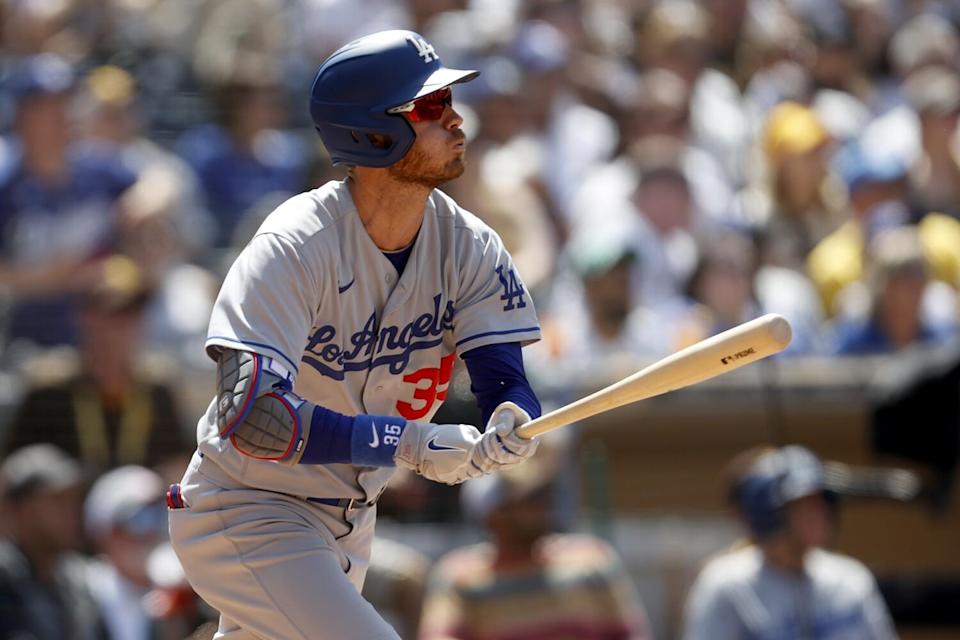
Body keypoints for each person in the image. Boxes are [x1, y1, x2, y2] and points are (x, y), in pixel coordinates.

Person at [167, 30, 542, 640]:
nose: (455, 118)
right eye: (429, 107)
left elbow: (507, 379)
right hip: (247, 505)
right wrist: (409, 442)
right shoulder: (294, 244)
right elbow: (254, 417)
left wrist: (508, 420)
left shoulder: (469, 245)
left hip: (347, 523)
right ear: (372, 133)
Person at [419, 436, 651, 640]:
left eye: (543, 496)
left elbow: (629, 633)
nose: (543, 506)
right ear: (493, 514)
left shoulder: (592, 560)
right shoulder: (461, 577)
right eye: (528, 500)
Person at [3, 254, 193, 482]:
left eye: (130, 313)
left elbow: (178, 468)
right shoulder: (49, 393)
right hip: (69, 514)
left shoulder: (158, 392)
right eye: (109, 313)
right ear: (82, 317)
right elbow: (15, 476)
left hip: (136, 515)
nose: (118, 328)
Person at [682, 445, 897, 640]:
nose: (819, 514)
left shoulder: (850, 580)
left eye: (820, 502)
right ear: (767, 512)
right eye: (803, 505)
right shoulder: (726, 586)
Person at [0, 444, 104, 640]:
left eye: (74, 499)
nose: (71, 511)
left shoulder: (80, 580)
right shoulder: (5, 580)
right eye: (58, 500)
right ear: (22, 510)